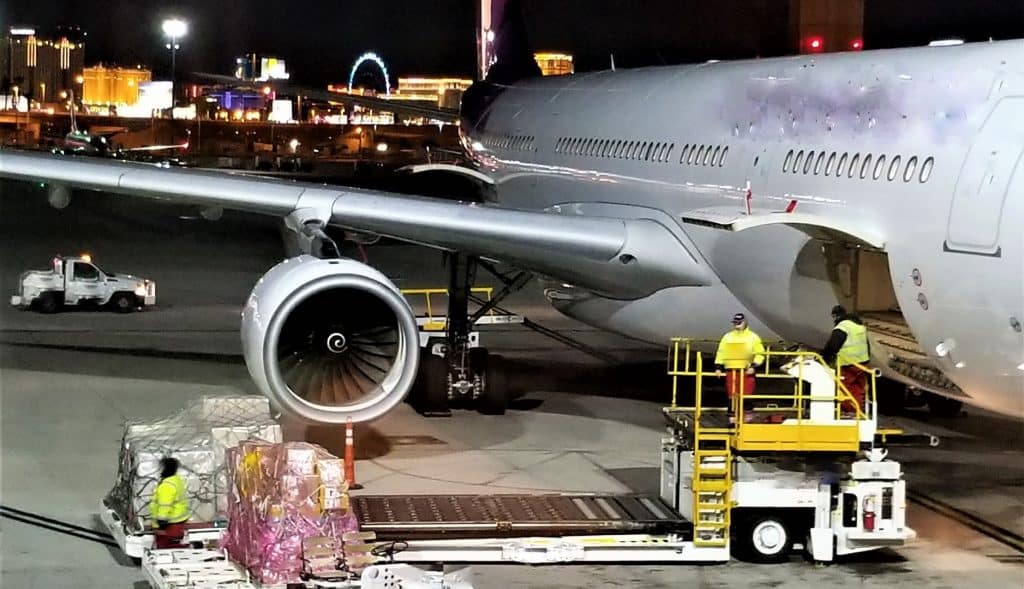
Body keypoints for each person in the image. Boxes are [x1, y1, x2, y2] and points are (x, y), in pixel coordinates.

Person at [821, 305, 870, 416]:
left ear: (835, 316)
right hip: (862, 363)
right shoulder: (858, 325)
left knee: (845, 388)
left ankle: (847, 411)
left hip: (848, 363)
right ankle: (857, 411)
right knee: (858, 388)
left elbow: (832, 346)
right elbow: (866, 344)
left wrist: (824, 358)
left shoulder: (842, 327)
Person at [714, 313, 766, 417]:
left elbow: (760, 353)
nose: (737, 325)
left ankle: (746, 421)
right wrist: (718, 367)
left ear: (745, 322)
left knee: (746, 396)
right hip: (731, 370)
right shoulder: (728, 337)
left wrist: (754, 366)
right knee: (732, 396)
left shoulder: (753, 337)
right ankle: (732, 422)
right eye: (735, 323)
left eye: (739, 323)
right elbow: (721, 352)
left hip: (746, 371)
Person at [150, 457, 191, 549]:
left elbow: (165, 505)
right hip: (178, 521)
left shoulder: (166, 485)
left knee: (166, 549)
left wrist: (161, 522)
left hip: (169, 524)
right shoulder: (176, 480)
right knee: (176, 545)